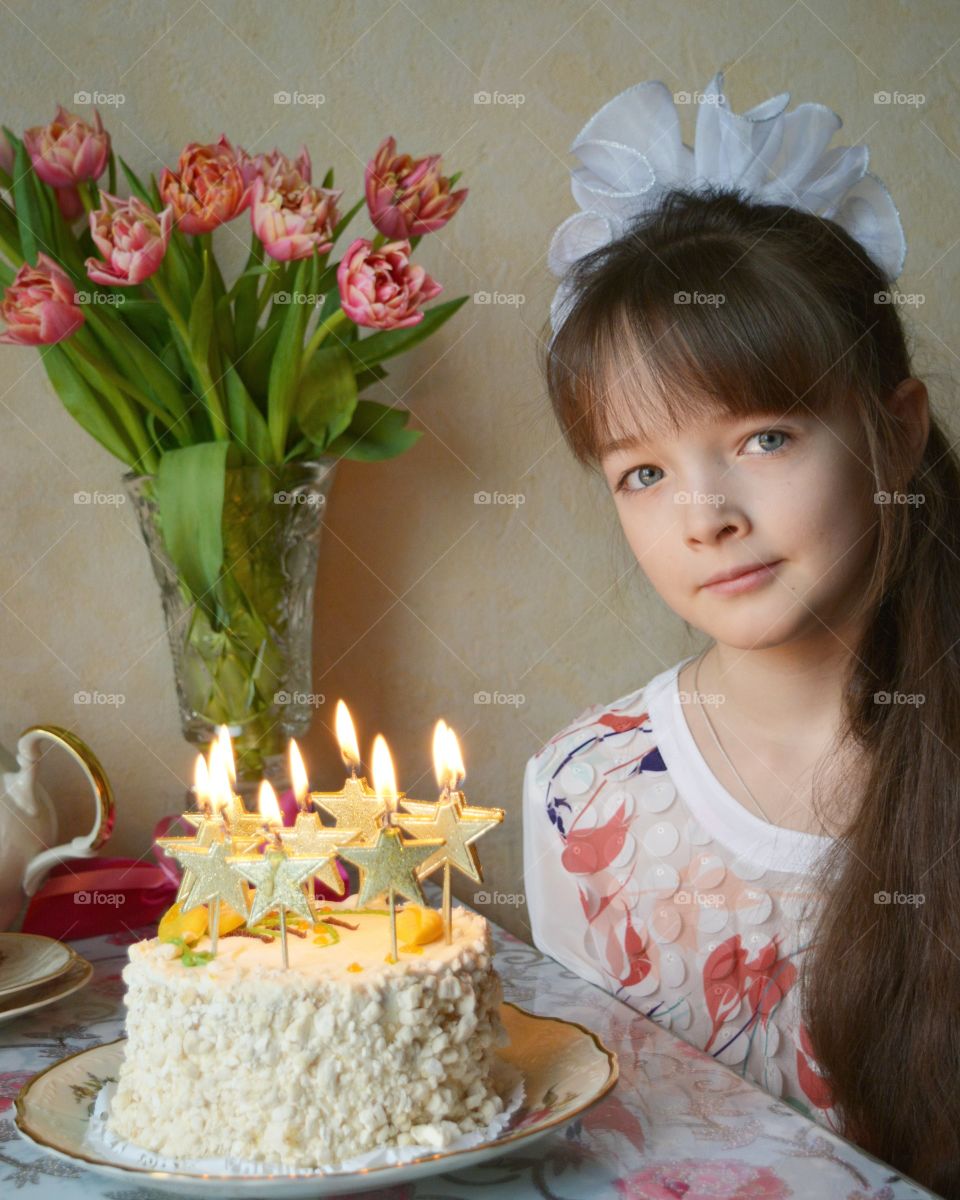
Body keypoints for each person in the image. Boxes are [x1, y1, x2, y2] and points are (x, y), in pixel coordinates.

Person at [523, 70, 960, 1199]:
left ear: (895, 434)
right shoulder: (589, 794)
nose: (705, 515)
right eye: (644, 472)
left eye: (766, 437)